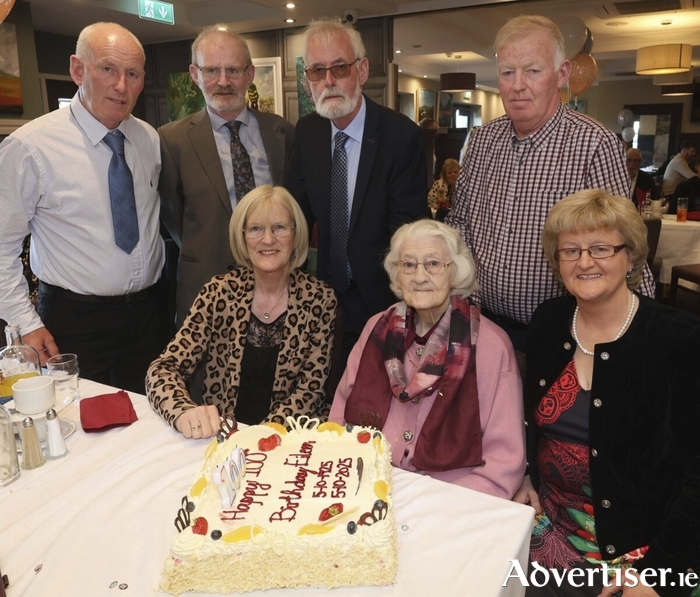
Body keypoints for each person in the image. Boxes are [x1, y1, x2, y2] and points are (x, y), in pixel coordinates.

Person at [515, 190, 700, 596]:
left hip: (645, 552)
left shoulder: (680, 340)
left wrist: (654, 575)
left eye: (601, 248)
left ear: (630, 256)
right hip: (548, 533)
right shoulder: (548, 322)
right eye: (570, 250)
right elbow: (531, 422)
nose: (584, 262)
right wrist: (526, 476)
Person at [446, 15, 654, 353]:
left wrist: (635, 335)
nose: (517, 86)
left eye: (533, 70)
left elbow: (623, 246)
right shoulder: (482, 141)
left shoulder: (594, 144)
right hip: (482, 329)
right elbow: (459, 226)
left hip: (566, 336)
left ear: (562, 74)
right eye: (507, 72)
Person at [0, 22, 165, 393]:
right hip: (74, 320)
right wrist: (25, 322)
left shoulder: (148, 139)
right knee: (78, 423)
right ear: (78, 70)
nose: (121, 85)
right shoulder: (29, 147)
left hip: (148, 315)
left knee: (150, 421)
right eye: (108, 69)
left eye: (133, 73)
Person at [330, 219, 526, 499]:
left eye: (433, 264)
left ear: (456, 272)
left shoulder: (491, 347)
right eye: (408, 265)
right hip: (365, 486)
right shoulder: (377, 329)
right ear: (397, 274)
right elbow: (339, 419)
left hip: (449, 499)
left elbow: (502, 466)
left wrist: (431, 504)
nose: (419, 277)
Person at [286, 17, 427, 363]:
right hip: (322, 298)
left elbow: (407, 233)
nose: (329, 81)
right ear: (308, 81)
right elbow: (294, 217)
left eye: (339, 68)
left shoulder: (401, 137)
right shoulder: (306, 134)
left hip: (383, 299)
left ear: (362, 71)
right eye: (317, 71)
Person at [146, 185, 337, 439]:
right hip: (222, 440)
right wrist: (183, 412)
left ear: (296, 234)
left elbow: (310, 393)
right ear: (242, 236)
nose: (268, 239)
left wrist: (259, 438)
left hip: (289, 443)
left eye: (279, 227)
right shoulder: (218, 292)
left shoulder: (319, 300)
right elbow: (163, 369)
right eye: (256, 228)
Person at [159, 24, 295, 326]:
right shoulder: (171, 141)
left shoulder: (282, 132)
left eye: (233, 70)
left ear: (249, 74)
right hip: (205, 287)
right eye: (211, 71)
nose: (223, 81)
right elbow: (173, 218)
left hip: (277, 284)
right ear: (195, 74)